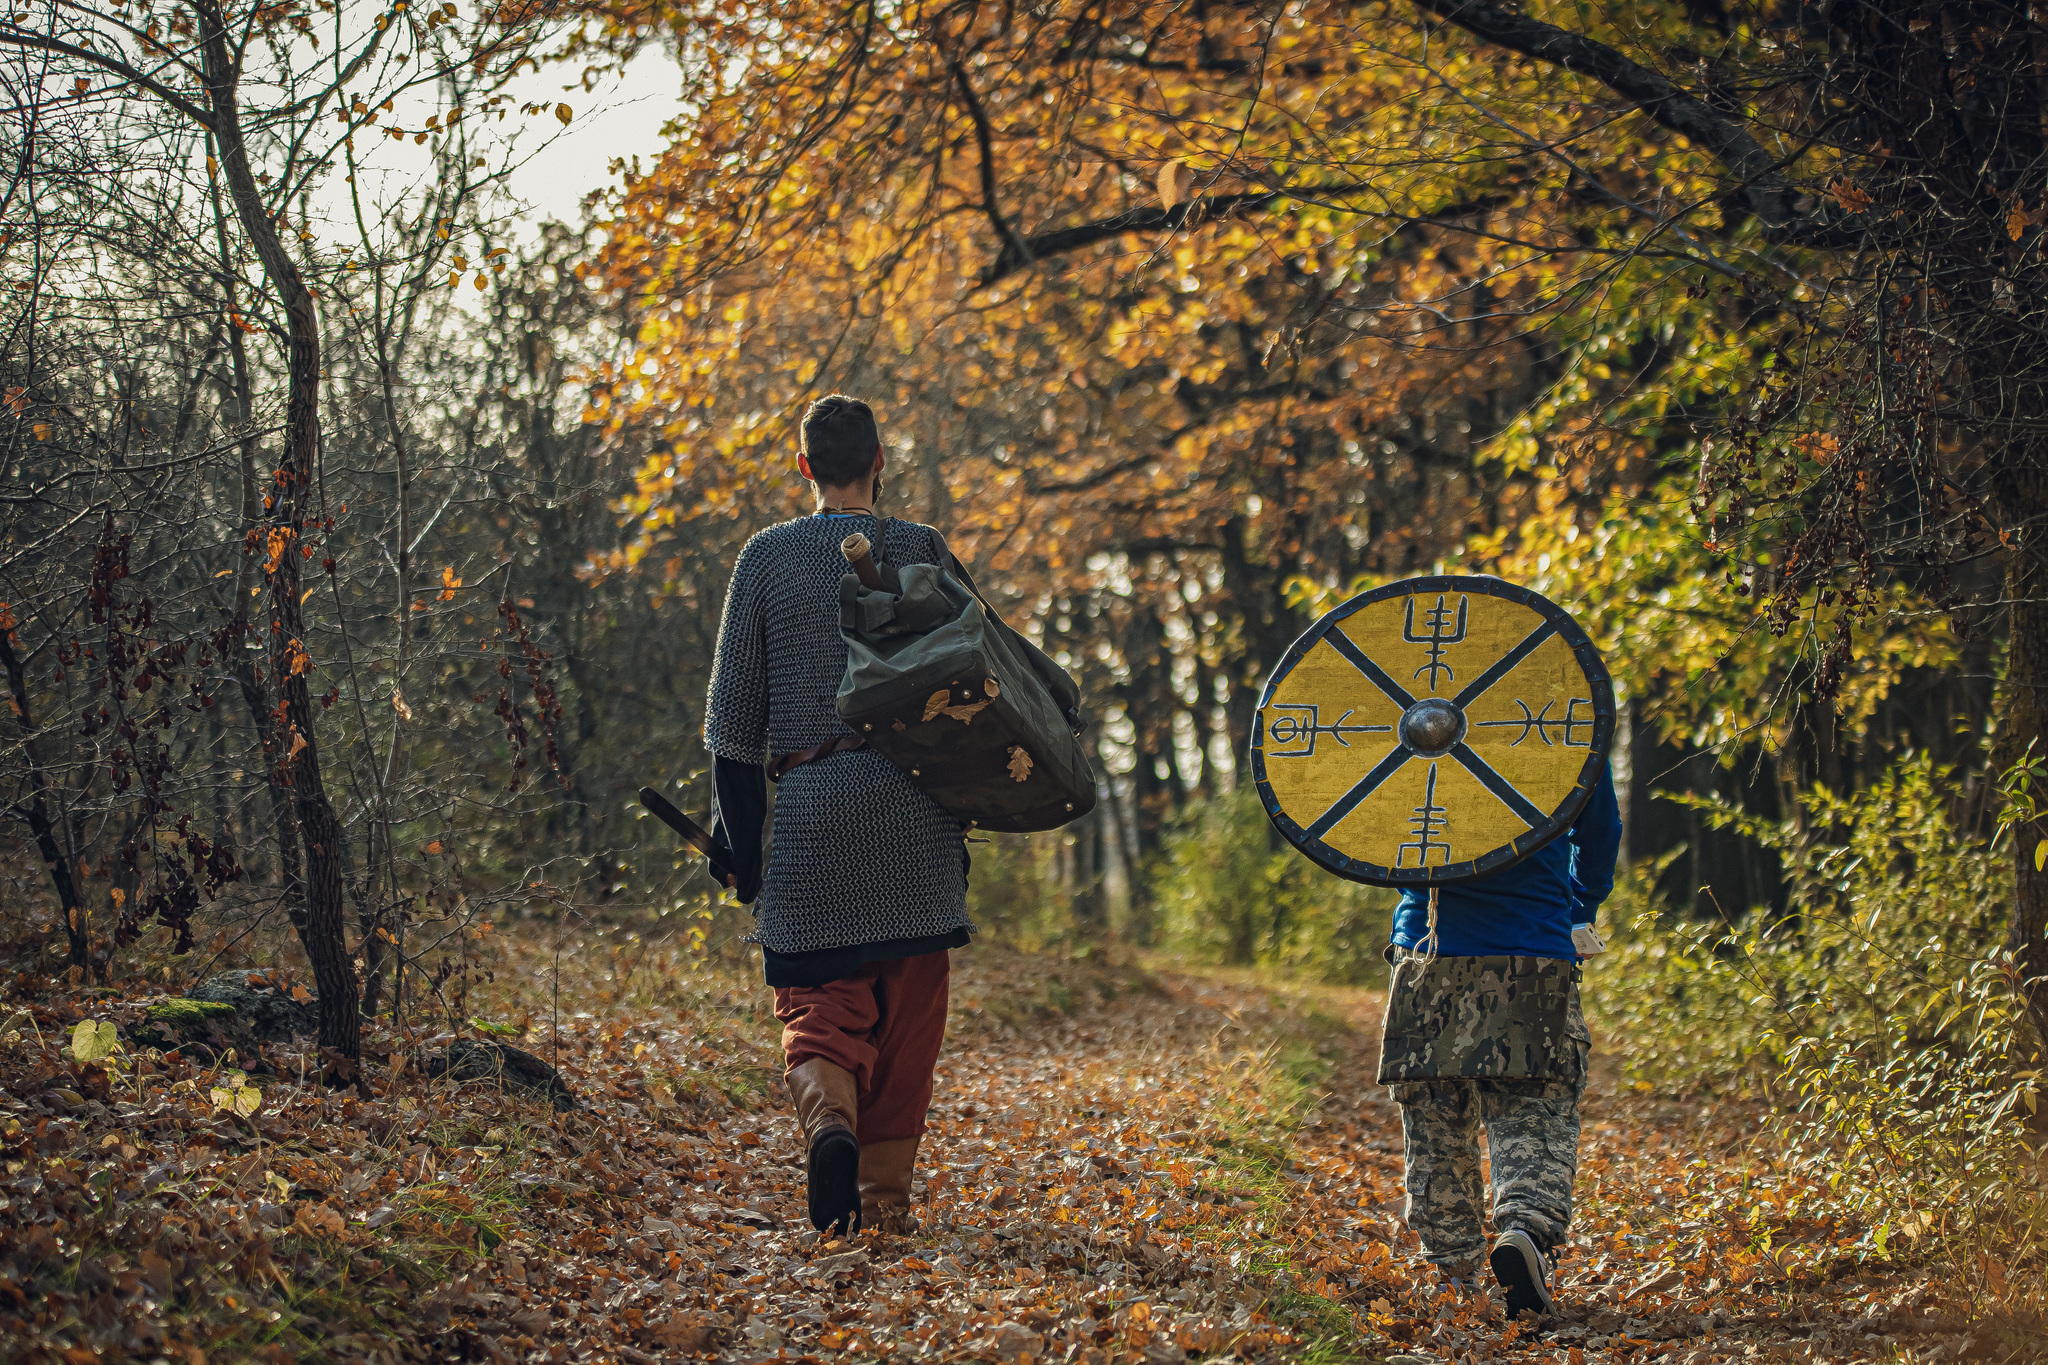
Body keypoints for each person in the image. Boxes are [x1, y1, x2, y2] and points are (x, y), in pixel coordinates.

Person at [700, 394, 972, 1237]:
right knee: (910, 1014)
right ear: (880, 461)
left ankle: (830, 1127)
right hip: (918, 813)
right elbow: (981, 689)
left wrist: (740, 846)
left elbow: (733, 728)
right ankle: (885, 1207)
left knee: (819, 1002)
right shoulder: (923, 550)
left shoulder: (767, 559)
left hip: (813, 814)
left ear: (806, 465)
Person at [1379, 762, 1622, 1319]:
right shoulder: (1565, 720)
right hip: (1531, 945)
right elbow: (1601, 831)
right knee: (1533, 1109)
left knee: (1436, 1122)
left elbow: (1374, 834)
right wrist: (1577, 907)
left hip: (1426, 948)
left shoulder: (1412, 729)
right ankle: (1525, 1236)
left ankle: (1455, 1277)